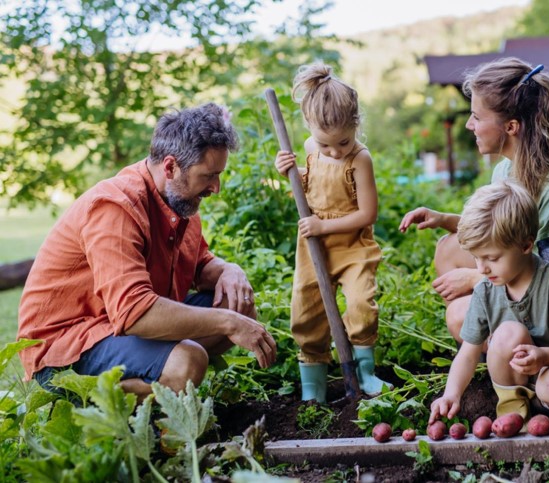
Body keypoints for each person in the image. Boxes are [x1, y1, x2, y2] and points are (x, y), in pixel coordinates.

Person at [17, 103, 277, 401]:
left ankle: (158, 390)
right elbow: (134, 313)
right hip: (67, 344)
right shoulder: (116, 208)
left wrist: (230, 270)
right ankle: (85, 404)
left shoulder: (180, 202)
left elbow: (199, 264)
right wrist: (227, 322)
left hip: (118, 328)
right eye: (208, 176)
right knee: (187, 362)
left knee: (238, 303)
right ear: (170, 167)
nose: (215, 187)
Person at [399, 58, 549, 372]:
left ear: (510, 127)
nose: (469, 125)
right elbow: (502, 233)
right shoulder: (506, 169)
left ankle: (535, 360)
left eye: (476, 116)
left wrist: (475, 278)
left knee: (460, 315)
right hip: (543, 288)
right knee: (449, 247)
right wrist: (444, 219)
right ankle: (504, 349)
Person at [429, 180, 549, 423]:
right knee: (507, 333)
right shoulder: (485, 290)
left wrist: (544, 356)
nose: (482, 268)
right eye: (476, 258)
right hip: (518, 377)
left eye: (492, 258)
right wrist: (451, 394)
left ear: (526, 245)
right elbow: (468, 354)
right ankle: (514, 410)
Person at [274, 63, 389, 403]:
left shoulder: (360, 159)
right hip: (314, 246)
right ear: (309, 127)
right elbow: (312, 186)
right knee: (307, 310)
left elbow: (367, 213)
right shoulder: (311, 147)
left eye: (343, 141)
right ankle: (314, 383)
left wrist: (324, 225)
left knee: (361, 303)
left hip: (353, 246)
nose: (336, 152)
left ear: (356, 124)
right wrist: (289, 172)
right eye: (326, 145)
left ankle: (365, 373)